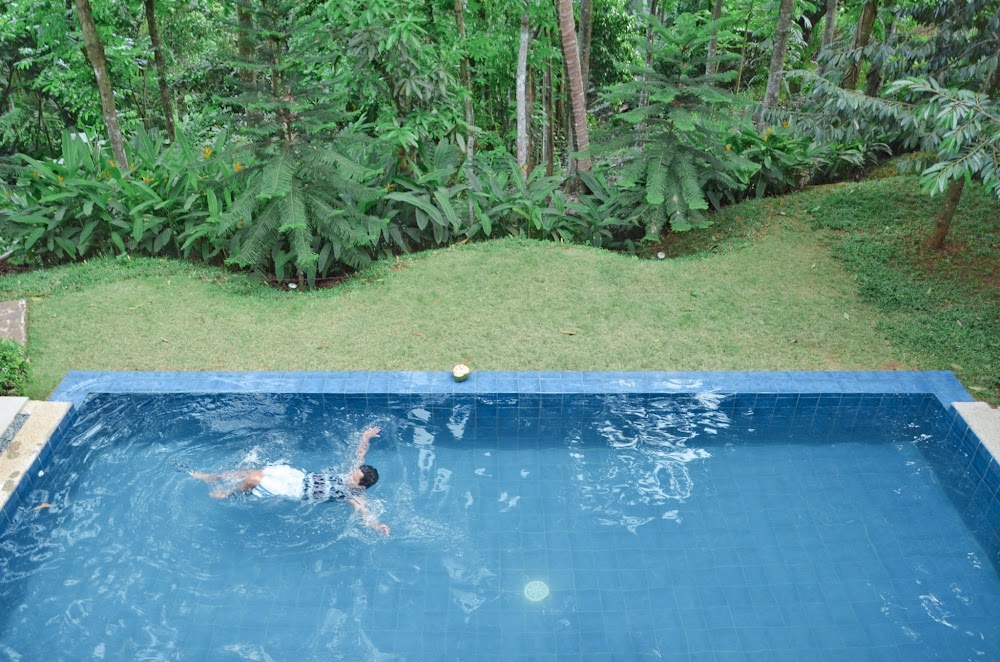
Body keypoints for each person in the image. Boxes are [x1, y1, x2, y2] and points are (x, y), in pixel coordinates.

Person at [190, 426, 390, 536]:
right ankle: (211, 477)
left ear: (361, 485)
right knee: (252, 471)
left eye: (353, 478)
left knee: (254, 479)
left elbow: (366, 514)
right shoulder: (354, 474)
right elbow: (360, 454)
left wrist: (378, 526)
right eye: (353, 473)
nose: (349, 476)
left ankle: (229, 493)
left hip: (295, 492)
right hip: (299, 477)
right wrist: (366, 437)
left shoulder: (355, 496)